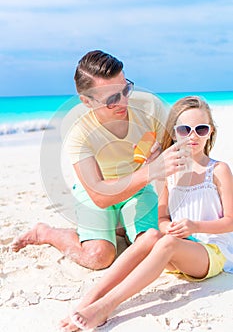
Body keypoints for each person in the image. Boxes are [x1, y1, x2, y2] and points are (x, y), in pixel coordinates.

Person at [60, 96, 233, 331]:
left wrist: (195, 226)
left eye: (200, 129)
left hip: (213, 253)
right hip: (181, 246)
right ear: (173, 132)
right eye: (184, 130)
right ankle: (90, 299)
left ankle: (106, 307)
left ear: (210, 132)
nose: (192, 136)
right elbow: (162, 219)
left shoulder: (219, 169)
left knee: (167, 243)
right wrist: (166, 227)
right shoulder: (169, 172)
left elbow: (230, 222)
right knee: (151, 235)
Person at [12, 50, 189, 270]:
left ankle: (121, 227)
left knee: (150, 247)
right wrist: (151, 171)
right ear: (87, 101)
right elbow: (99, 196)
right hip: (96, 192)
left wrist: (161, 162)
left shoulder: (150, 108)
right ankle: (46, 232)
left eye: (126, 90)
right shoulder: (78, 132)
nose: (124, 102)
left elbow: (180, 155)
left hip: (139, 189)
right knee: (98, 257)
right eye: (112, 99)